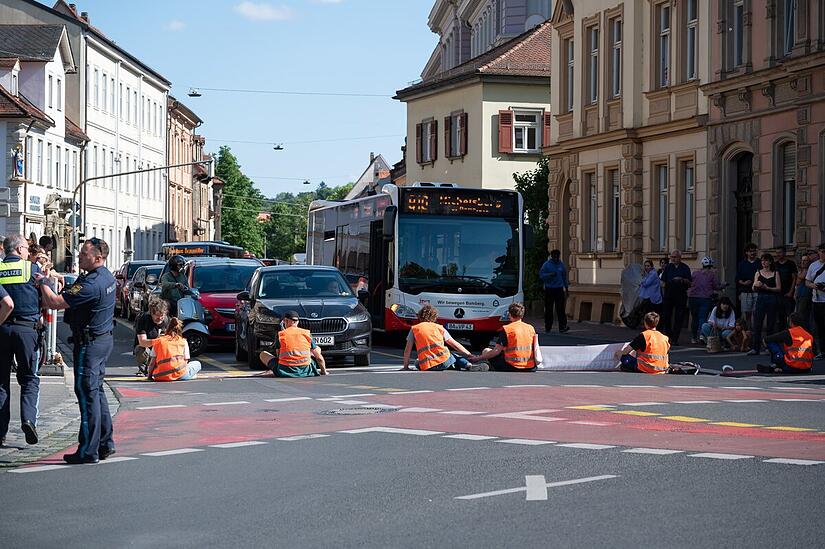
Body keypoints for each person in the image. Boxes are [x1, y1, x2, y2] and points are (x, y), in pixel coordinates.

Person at [38, 237, 116, 464]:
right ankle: (105, 442)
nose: (79, 255)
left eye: (84, 253)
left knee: (87, 395)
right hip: (102, 341)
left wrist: (42, 281)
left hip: (90, 345)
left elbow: (54, 302)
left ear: (98, 258)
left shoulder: (92, 284)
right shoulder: (105, 277)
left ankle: (88, 451)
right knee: (97, 392)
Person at [0, 235, 43, 447]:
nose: (28, 251)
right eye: (26, 248)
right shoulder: (32, 269)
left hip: (2, 330)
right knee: (29, 379)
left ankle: (0, 432)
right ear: (18, 249)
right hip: (27, 330)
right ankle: (28, 420)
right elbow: (46, 295)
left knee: (1, 383)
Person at [471, 302, 539, 372]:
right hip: (529, 366)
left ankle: (488, 365)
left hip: (511, 365)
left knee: (486, 351)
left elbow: (496, 351)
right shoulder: (530, 328)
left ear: (509, 314)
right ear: (522, 315)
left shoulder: (507, 329)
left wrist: (478, 358)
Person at [402, 305, 473, 371]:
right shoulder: (439, 328)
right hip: (444, 361)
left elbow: (407, 350)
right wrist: (469, 354)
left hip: (427, 366)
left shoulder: (415, 329)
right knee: (454, 356)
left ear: (420, 316)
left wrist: (406, 367)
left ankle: (452, 365)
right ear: (434, 317)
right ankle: (467, 364)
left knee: (417, 362)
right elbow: (454, 344)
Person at [258, 310, 328, 377]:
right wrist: (323, 371)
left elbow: (279, 356)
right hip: (306, 370)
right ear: (297, 322)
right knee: (317, 349)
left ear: (286, 321)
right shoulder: (306, 333)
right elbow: (319, 358)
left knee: (263, 354)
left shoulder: (281, 334)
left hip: (284, 371)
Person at [136, 317, 201, 381]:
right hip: (179, 373)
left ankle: (188, 376)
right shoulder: (183, 341)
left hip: (160, 375)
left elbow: (152, 363)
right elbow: (186, 361)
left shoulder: (159, 341)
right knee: (197, 364)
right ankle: (188, 376)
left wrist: (149, 377)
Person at [748, 253, 782, 356]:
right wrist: (756, 285)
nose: (763, 262)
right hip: (761, 298)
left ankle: (769, 347)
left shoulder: (775, 273)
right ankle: (755, 348)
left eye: (766, 260)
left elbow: (779, 288)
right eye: (762, 261)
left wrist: (768, 288)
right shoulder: (758, 272)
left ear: (770, 262)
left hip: (772, 298)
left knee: (771, 324)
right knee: (757, 324)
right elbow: (753, 288)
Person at [659, 250, 692, 345]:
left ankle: (675, 338)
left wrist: (682, 279)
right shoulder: (668, 267)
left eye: (675, 257)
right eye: (672, 257)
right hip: (669, 295)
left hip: (680, 295)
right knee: (666, 316)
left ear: (679, 258)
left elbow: (690, 283)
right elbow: (663, 281)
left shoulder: (685, 268)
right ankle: (669, 335)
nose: (673, 259)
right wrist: (664, 287)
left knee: (679, 317)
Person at [687, 256, 722, 344]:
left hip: (693, 297)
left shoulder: (695, 273)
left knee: (694, 318)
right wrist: (723, 285)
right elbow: (716, 286)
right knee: (702, 317)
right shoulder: (712, 274)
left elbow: (690, 283)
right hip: (705, 298)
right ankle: (702, 335)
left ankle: (694, 337)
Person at [134, 297, 170, 376]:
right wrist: (158, 341)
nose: (160, 318)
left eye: (162, 315)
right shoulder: (143, 319)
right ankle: (143, 368)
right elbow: (142, 342)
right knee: (140, 349)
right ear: (151, 313)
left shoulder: (166, 320)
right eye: (157, 315)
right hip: (146, 348)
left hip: (159, 349)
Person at [539, 249, 569, 333]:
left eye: (557, 256)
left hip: (559, 289)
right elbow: (541, 275)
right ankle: (548, 326)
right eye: (554, 256)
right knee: (549, 309)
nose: (556, 258)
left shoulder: (561, 265)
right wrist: (549, 275)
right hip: (549, 289)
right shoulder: (546, 265)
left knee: (560, 308)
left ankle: (562, 326)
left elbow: (564, 277)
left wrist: (566, 289)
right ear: (551, 256)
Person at [806, 243, 825, 361]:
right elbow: (807, 282)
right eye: (821, 251)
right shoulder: (813, 266)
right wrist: (815, 286)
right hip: (817, 300)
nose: (823, 254)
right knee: (819, 327)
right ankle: (821, 350)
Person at [735, 243, 760, 330]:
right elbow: (738, 278)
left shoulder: (759, 263)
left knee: (757, 312)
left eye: (754, 251)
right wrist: (743, 283)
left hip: (757, 291)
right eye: (750, 251)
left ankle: (756, 330)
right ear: (746, 253)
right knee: (747, 313)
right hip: (745, 291)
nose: (753, 253)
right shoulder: (742, 264)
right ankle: (748, 330)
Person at [774, 246, 798, 332]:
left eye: (780, 252)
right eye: (777, 253)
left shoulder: (791, 264)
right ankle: (781, 335)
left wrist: (791, 292)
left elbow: (794, 278)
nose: (778, 254)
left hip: (788, 293)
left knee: (790, 315)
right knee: (780, 316)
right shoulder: (775, 264)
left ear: (784, 253)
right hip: (778, 294)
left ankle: (792, 333)